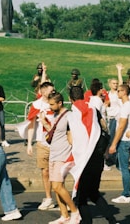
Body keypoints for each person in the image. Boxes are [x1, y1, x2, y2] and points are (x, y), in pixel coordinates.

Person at [68, 86, 118, 224]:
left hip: (84, 159)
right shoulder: (94, 110)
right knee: (94, 192)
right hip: (97, 156)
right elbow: (104, 127)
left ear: (70, 99)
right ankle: (111, 220)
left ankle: (87, 221)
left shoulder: (71, 115)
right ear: (84, 96)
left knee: (81, 197)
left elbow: (71, 139)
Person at [46, 91, 81, 224]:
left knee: (57, 186)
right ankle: (64, 215)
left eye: (52, 104)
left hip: (63, 155)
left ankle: (75, 212)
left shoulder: (69, 116)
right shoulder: (56, 115)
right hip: (54, 154)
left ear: (60, 103)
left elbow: (73, 135)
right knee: (56, 187)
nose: (50, 107)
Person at [26, 81, 56, 210]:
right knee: (45, 171)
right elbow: (31, 125)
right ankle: (48, 197)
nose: (53, 92)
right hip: (42, 141)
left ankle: (60, 196)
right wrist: (29, 143)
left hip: (56, 142)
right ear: (43, 91)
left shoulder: (55, 102)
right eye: (51, 90)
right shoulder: (36, 105)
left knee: (57, 171)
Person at [104, 78, 120, 170]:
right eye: (113, 83)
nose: (115, 85)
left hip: (116, 118)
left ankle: (113, 157)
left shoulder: (118, 93)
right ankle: (109, 156)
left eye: (116, 83)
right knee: (109, 138)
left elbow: (122, 84)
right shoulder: (107, 94)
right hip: (109, 118)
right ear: (109, 84)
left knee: (114, 138)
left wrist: (119, 72)